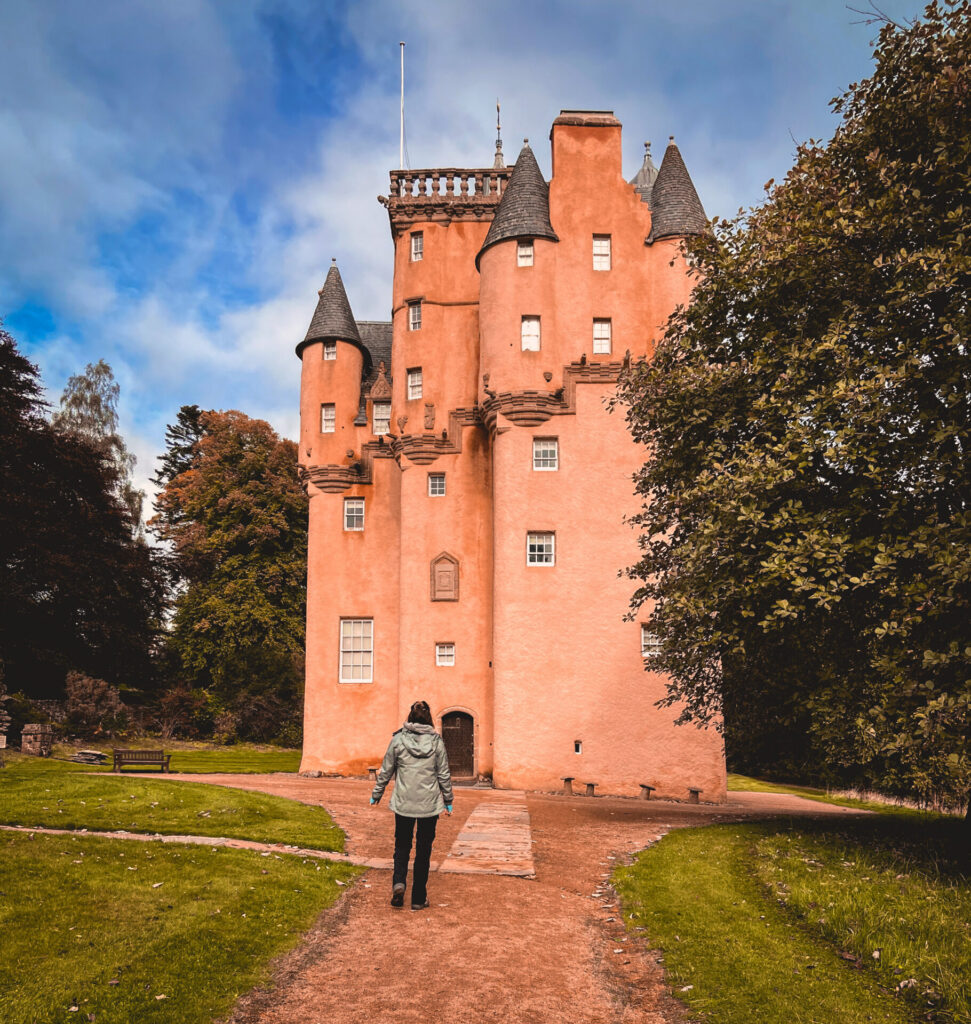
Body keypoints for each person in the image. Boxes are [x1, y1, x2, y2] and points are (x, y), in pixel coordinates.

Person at [370, 700, 454, 910]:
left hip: (404, 803)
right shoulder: (436, 742)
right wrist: (448, 800)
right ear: (429, 718)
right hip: (428, 804)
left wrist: (376, 794)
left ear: (410, 716)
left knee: (402, 845)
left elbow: (386, 770)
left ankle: (399, 884)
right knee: (423, 849)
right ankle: (418, 898)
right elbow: (443, 774)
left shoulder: (398, 740)